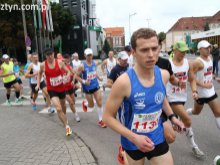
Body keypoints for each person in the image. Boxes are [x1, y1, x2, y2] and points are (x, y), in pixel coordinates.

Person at [103, 28, 184, 165]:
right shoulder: (124, 82)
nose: (151, 55)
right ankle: (123, 152)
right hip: (132, 142)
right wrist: (134, 138)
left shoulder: (163, 75)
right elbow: (107, 117)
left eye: (154, 48)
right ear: (133, 52)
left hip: (156, 136)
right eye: (144, 50)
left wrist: (172, 117)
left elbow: (160, 97)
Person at [166, 41, 204, 157]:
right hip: (171, 98)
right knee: (187, 120)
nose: (183, 53)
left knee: (175, 129)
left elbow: (192, 79)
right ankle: (194, 147)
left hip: (182, 97)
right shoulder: (168, 64)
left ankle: (172, 124)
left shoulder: (187, 63)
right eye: (181, 51)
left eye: (185, 51)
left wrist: (194, 91)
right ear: (175, 50)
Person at [187, 40, 220, 141]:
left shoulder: (209, 59)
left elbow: (209, 73)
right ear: (200, 49)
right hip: (200, 94)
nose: (208, 50)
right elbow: (190, 78)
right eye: (206, 48)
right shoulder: (197, 62)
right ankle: (185, 113)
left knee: (218, 112)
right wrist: (204, 85)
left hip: (210, 92)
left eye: (209, 47)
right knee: (196, 112)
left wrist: (215, 78)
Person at [37, 48, 72, 136]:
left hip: (61, 88)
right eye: (48, 55)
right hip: (52, 89)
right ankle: (67, 126)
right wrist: (38, 84)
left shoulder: (60, 62)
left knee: (63, 107)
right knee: (58, 108)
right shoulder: (43, 65)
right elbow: (39, 74)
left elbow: (68, 72)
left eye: (51, 54)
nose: (50, 56)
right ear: (45, 56)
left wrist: (67, 77)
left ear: (53, 54)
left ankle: (64, 118)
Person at [76, 48, 106, 128]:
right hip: (87, 88)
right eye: (88, 55)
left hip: (96, 85)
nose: (89, 57)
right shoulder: (82, 66)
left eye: (91, 55)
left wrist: (99, 77)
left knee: (99, 102)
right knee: (92, 105)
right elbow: (76, 76)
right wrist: (84, 81)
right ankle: (85, 104)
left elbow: (94, 72)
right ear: (85, 55)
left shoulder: (94, 63)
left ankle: (101, 120)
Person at [62, 53, 80, 122]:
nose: (67, 61)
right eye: (66, 59)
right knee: (71, 102)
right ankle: (75, 115)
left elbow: (74, 74)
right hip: (63, 89)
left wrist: (73, 81)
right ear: (63, 59)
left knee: (73, 101)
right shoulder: (60, 67)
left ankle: (71, 111)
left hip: (70, 87)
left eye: (68, 59)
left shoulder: (69, 67)